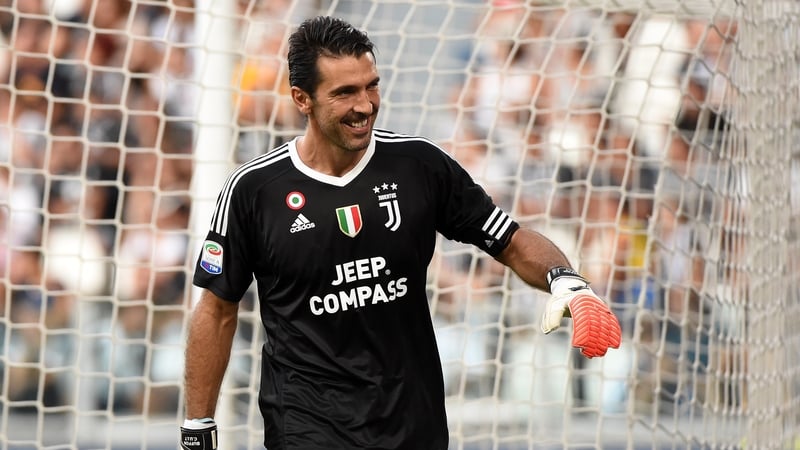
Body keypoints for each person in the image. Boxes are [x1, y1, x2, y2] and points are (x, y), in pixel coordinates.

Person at [180, 15, 621, 450]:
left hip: (411, 426)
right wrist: (198, 425)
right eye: (344, 93)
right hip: (307, 427)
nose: (365, 105)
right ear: (302, 99)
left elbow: (509, 240)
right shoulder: (255, 190)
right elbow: (216, 309)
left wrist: (568, 282)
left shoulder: (418, 166)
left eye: (371, 86)